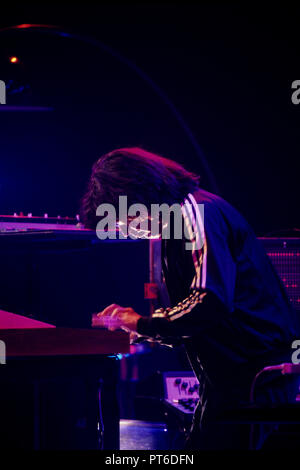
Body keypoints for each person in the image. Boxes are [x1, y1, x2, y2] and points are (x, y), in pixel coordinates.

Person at [80, 147, 300, 449]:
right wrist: (140, 329)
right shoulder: (178, 222)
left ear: (139, 195)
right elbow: (198, 316)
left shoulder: (196, 212)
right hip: (230, 377)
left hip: (255, 375)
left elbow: (210, 301)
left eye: (123, 220)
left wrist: (143, 322)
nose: (127, 230)